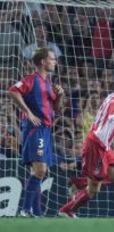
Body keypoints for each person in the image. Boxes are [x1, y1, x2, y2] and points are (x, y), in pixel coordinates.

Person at [58, 72, 114, 218]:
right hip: (96, 144)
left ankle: (79, 182)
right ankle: (67, 210)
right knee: (94, 189)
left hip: (105, 146)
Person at [8, 47, 64, 217]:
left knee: (40, 171)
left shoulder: (48, 83)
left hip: (46, 130)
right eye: (52, 59)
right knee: (40, 170)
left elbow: (57, 110)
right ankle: (25, 210)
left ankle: (36, 213)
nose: (55, 62)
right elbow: (12, 91)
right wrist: (28, 112)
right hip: (36, 129)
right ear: (42, 61)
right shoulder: (32, 79)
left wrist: (60, 96)